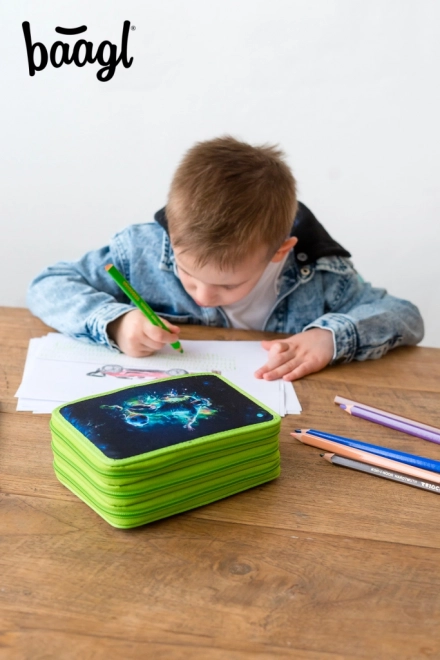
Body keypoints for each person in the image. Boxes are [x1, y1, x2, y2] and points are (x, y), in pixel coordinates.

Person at [27, 136, 424, 382]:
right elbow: (49, 286)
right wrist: (116, 322)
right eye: (187, 273)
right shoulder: (143, 251)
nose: (202, 296)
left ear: (278, 252)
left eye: (229, 284)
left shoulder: (319, 275)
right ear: (171, 236)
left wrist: (331, 338)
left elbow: (405, 315)